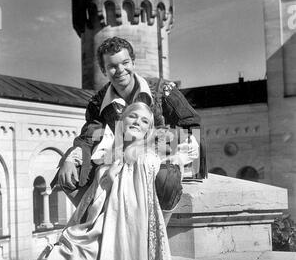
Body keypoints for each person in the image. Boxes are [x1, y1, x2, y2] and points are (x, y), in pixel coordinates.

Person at [5, 102, 186, 260]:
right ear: (122, 123)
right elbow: (92, 199)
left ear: (149, 130)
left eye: (144, 121)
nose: (137, 123)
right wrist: (74, 158)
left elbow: (143, 211)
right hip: (98, 228)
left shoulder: (146, 160)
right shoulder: (111, 155)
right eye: (132, 117)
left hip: (122, 240)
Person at [53, 37, 207, 217]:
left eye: (125, 62)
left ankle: (157, 237)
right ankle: (100, 224)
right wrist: (71, 159)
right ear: (103, 70)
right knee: (68, 177)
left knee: (166, 181)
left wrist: (160, 144)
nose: (120, 70)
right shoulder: (99, 101)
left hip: (163, 154)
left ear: (133, 62)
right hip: (125, 158)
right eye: (112, 66)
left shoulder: (161, 89)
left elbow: (191, 123)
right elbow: (90, 136)